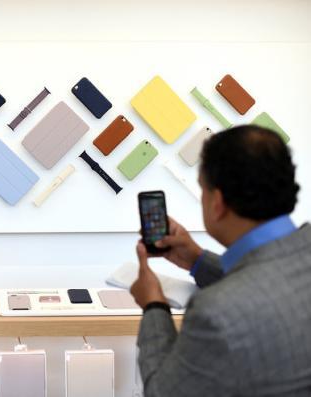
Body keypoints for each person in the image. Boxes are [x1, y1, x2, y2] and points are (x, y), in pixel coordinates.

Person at [129, 125, 311, 396]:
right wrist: (198, 260)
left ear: (218, 202)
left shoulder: (216, 313)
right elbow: (272, 284)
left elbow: (162, 392)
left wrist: (155, 305)